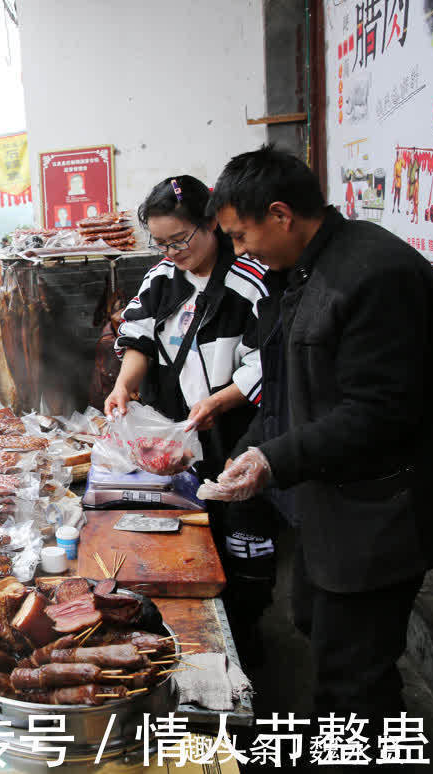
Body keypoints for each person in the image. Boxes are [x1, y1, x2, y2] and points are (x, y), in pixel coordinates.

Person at [206, 145, 433, 747]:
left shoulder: (373, 274)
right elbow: (285, 389)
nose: (239, 251)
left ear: (280, 214)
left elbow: (381, 411)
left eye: (240, 235)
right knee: (315, 625)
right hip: (326, 506)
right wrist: (250, 449)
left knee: (355, 677)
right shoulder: (302, 273)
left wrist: (272, 460)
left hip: (381, 515)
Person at [104, 175, 278, 663]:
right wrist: (123, 384)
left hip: (238, 433)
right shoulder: (161, 279)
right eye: (159, 243)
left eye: (178, 240)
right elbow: (138, 337)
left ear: (211, 225)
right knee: (190, 538)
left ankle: (248, 635)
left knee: (243, 538)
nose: (170, 252)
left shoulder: (250, 281)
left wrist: (220, 401)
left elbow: (266, 362)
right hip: (183, 439)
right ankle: (196, 633)